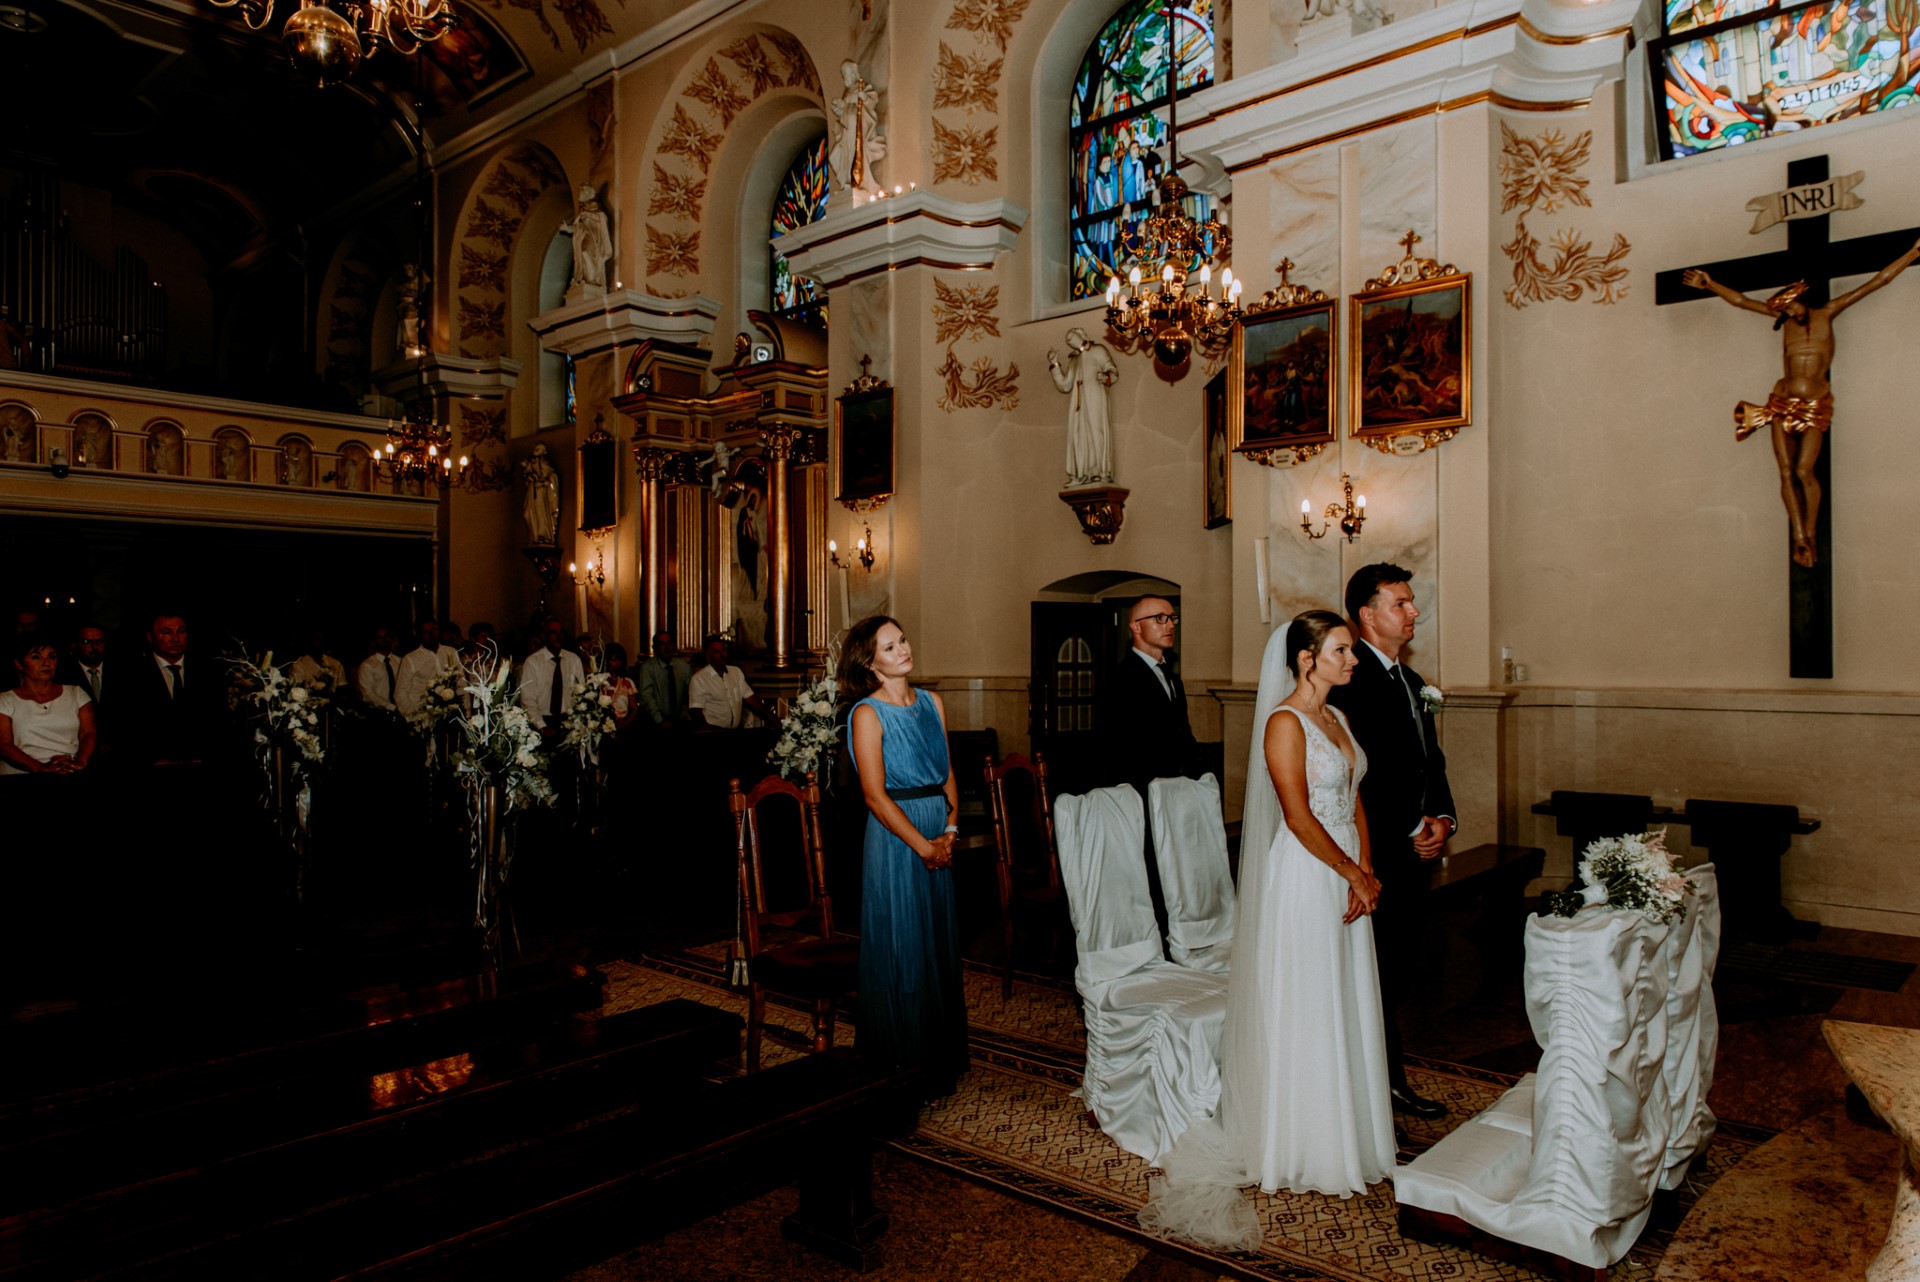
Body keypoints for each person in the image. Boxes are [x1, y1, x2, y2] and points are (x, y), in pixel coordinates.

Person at [1137, 611, 1392, 1249]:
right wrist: (1348, 872)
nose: (1352, 660)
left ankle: (1349, 1130)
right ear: (1307, 659)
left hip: (1344, 868)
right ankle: (1300, 1140)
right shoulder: (1284, 722)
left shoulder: (1338, 718)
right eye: (1341, 650)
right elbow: (1298, 816)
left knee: (1342, 996)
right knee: (1307, 1000)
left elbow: (1354, 797)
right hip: (1305, 873)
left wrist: (1366, 868)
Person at [1684, 237, 1919, 567]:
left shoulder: (1827, 313)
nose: (1790, 312)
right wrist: (1709, 284)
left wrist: (1913, 253)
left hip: (1814, 406)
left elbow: (1877, 281)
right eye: (1785, 309)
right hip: (1781, 402)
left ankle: (1810, 531)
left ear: (1801, 299)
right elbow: (1741, 301)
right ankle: (1799, 538)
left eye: (1792, 305)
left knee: (1804, 470)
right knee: (1785, 472)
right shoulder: (1784, 321)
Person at [1326, 562, 1456, 1121]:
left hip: (1414, 849)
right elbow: (1359, 773)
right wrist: (1409, 824)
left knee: (1397, 971)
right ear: (1367, 614)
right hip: (1374, 850)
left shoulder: (1412, 680)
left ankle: (1385, 1082)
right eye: (1400, 603)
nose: (1413, 612)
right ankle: (1375, 1093)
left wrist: (1444, 818)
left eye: (1410, 602)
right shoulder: (1349, 680)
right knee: (1373, 973)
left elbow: (1431, 761)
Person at [843, 615, 969, 1097]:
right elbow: (874, 796)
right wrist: (923, 847)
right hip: (897, 841)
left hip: (938, 833)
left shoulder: (933, 702)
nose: (903, 650)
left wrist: (950, 831)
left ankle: (939, 1057)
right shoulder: (866, 714)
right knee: (903, 943)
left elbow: (947, 772)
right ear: (869, 662)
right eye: (890, 647)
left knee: (936, 943)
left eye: (903, 640)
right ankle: (901, 1062)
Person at [117, 609, 224, 767]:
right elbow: (125, 727)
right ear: (150, 637)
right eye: (167, 632)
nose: (175, 638)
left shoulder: (208, 671)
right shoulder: (130, 676)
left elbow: (219, 722)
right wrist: (152, 760)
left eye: (181, 632)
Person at [0, 633, 96, 775]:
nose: (46, 663)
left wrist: (80, 762)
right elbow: (4, 744)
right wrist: (40, 767)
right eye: (36, 657)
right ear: (19, 664)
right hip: (21, 773)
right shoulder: (5, 700)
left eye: (52, 657)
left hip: (69, 768)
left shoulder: (76, 693)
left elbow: (88, 733)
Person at [1049, 327, 1118, 487]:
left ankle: (1100, 472)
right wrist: (1055, 365)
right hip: (1078, 404)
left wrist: (1106, 377)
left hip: (1095, 399)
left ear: (1081, 335)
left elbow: (1112, 370)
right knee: (1079, 435)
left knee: (1097, 432)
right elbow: (1065, 385)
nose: (1069, 340)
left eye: (1072, 336)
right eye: (1067, 339)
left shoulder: (1098, 351)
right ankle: (1081, 474)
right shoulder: (1074, 360)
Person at [517, 616, 584, 739]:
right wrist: (541, 726)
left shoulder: (574, 660)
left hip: (569, 722)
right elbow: (527, 699)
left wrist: (576, 723)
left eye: (561, 632)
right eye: (553, 632)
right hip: (542, 720)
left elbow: (581, 694)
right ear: (543, 636)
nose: (558, 636)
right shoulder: (533, 662)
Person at [687, 635, 774, 730]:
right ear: (708, 656)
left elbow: (752, 700)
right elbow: (696, 711)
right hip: (713, 732)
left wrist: (771, 718)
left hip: (734, 732)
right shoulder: (699, 679)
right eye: (717, 652)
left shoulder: (736, 672)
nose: (722, 655)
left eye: (724, 650)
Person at [395, 619, 462, 718]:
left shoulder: (451, 652)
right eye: (426, 632)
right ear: (419, 635)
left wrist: (466, 711)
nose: (431, 634)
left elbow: (461, 683)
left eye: (434, 629)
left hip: (450, 713)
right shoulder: (410, 659)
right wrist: (414, 716)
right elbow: (400, 693)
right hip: (423, 714)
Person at [561, 185, 613, 295]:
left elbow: (602, 219)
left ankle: (592, 279)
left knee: (586, 253)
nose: (579, 195)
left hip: (593, 240)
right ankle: (583, 278)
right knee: (581, 257)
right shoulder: (582, 214)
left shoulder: (597, 213)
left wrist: (589, 216)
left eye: (581, 192)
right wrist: (567, 228)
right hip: (581, 239)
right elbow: (576, 227)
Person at [638, 630, 691, 729]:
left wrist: (684, 715)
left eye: (669, 642)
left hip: (680, 721)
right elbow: (646, 697)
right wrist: (659, 720)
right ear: (655, 648)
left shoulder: (683, 667)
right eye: (662, 643)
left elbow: (688, 694)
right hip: (654, 722)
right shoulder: (648, 668)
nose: (667, 647)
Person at [356, 625, 402, 713]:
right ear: (374, 641)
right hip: (378, 713)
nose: (384, 639)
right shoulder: (367, 666)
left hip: (402, 711)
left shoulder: (400, 662)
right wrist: (391, 707)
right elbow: (368, 695)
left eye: (386, 636)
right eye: (380, 637)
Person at [521, 445, 559, 546]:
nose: (535, 450)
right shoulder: (532, 463)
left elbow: (552, 477)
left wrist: (547, 482)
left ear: (543, 451)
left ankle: (544, 535)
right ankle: (535, 536)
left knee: (541, 512)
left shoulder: (545, 463)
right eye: (535, 448)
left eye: (538, 449)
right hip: (532, 492)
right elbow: (527, 474)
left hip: (541, 492)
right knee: (528, 513)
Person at [601, 642, 641, 732]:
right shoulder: (598, 681)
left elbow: (634, 709)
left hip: (623, 725)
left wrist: (625, 723)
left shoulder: (627, 682)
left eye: (619, 660)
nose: (617, 663)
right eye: (613, 660)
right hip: (602, 725)